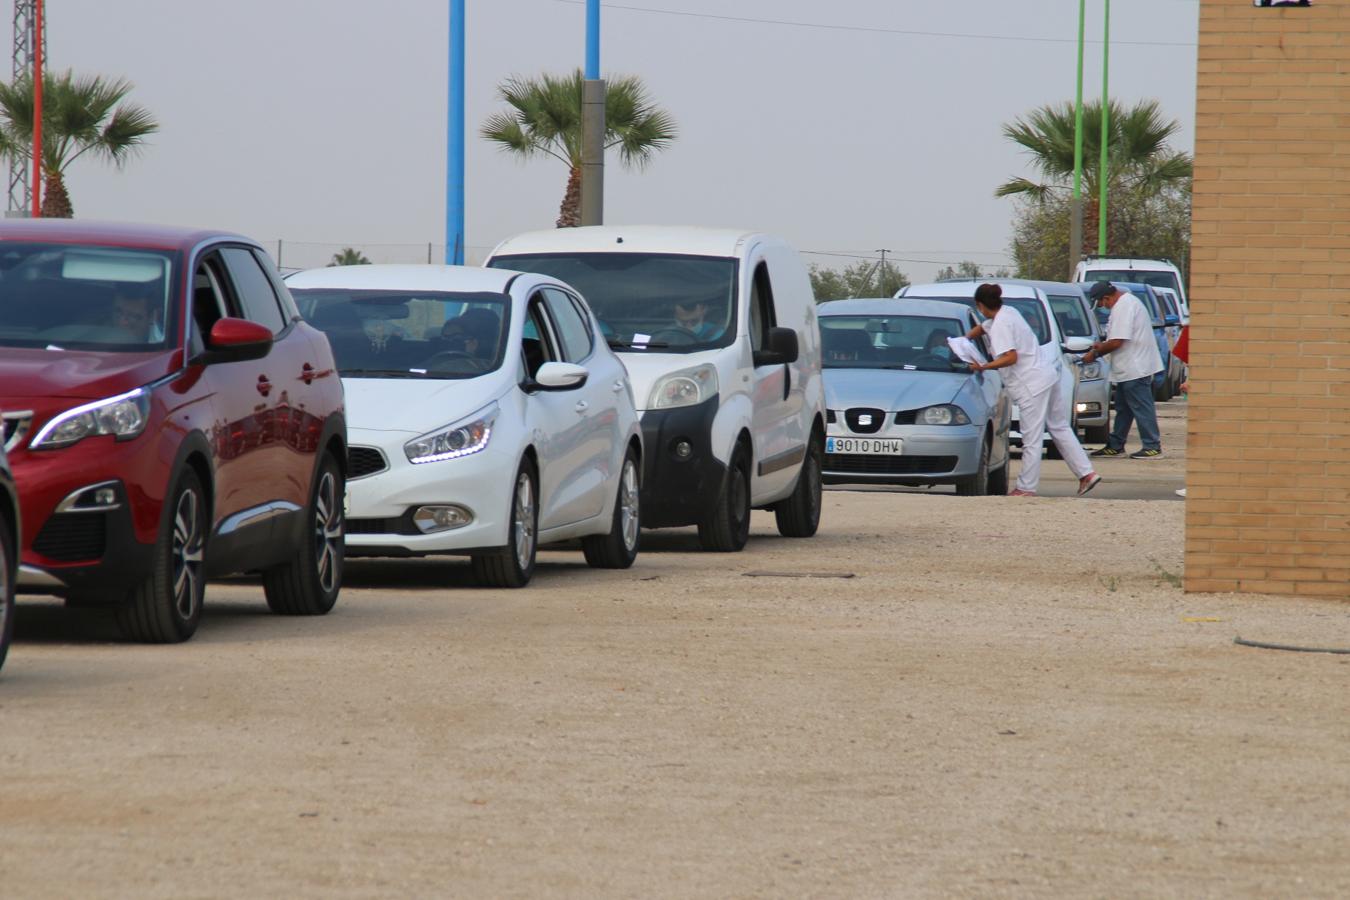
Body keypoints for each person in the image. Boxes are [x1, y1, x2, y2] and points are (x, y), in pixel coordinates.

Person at [965, 283, 1100, 497]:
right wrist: (966, 338)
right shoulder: (1009, 312)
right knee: (1059, 427)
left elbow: (1010, 357)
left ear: (980, 306)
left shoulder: (1000, 325)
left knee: (1032, 438)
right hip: (1047, 375)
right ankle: (1087, 473)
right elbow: (984, 326)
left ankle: (1026, 487)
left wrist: (983, 366)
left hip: (1031, 384)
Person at [1082, 281, 1165, 459]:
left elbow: (1117, 341)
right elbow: (1115, 338)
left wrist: (1095, 353)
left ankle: (1152, 446)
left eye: (1103, 303)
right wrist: (1102, 345)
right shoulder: (1127, 303)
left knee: (1142, 407)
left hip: (1135, 367)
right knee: (1124, 408)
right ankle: (1116, 444)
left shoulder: (1124, 306)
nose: (1104, 306)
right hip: (1127, 368)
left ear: (1107, 297)